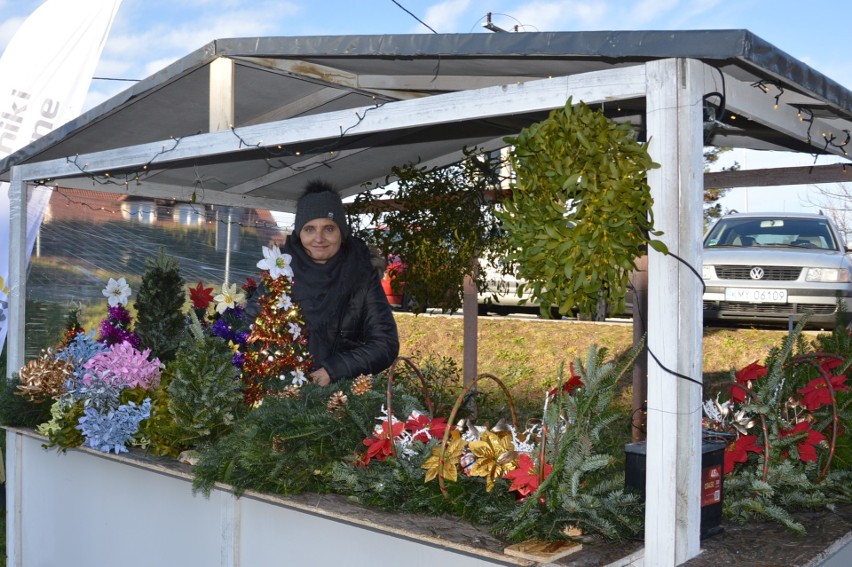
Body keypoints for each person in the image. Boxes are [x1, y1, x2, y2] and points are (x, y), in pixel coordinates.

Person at [283, 180, 399, 386]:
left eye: (329, 228)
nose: (319, 238)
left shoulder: (362, 275)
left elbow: (385, 344)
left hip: (342, 397)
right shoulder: (279, 273)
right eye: (309, 229)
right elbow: (249, 331)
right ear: (299, 233)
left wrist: (332, 370)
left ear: (342, 233)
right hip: (280, 394)